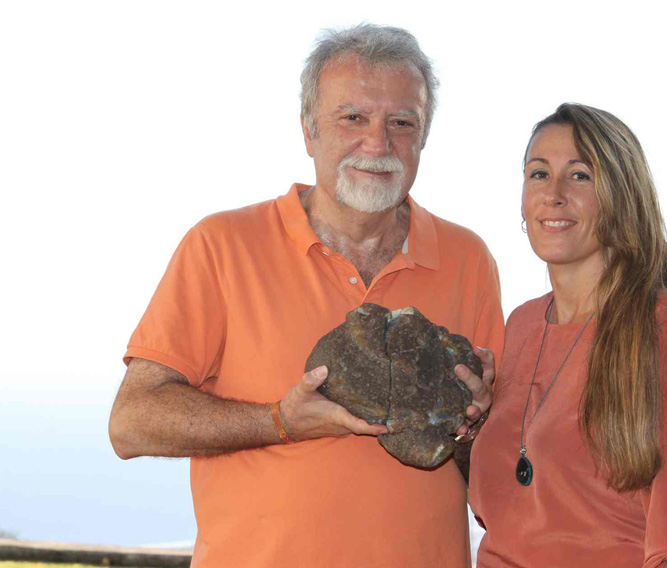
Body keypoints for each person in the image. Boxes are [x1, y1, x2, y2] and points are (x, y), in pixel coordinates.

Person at [108, 24, 504, 568]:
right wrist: (279, 422)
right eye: (353, 118)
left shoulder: (468, 258)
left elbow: (489, 467)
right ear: (308, 131)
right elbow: (132, 422)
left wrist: (478, 424)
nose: (378, 143)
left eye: (401, 122)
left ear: (424, 137)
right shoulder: (223, 245)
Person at [469, 103, 667, 568]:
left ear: (622, 195)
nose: (553, 195)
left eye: (579, 176)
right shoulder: (520, 325)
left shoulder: (660, 326)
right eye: (538, 174)